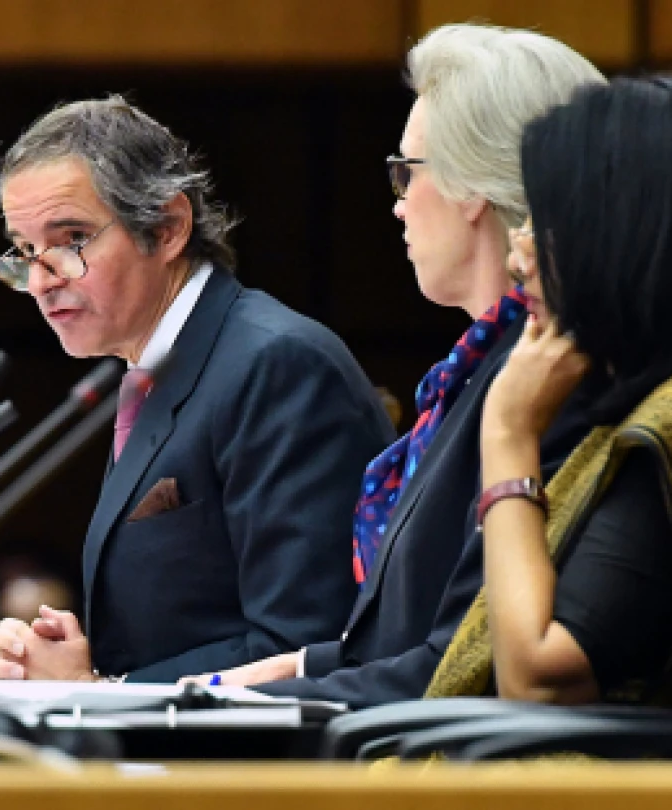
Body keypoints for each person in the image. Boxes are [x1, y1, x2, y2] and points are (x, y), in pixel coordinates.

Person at [183, 24, 604, 707]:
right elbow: (422, 628)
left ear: (473, 185)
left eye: (408, 171)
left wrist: (270, 701)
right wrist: (297, 669)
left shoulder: (540, 382)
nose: (398, 202)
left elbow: (468, 665)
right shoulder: (481, 372)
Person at [0, 96, 394, 683]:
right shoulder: (153, 372)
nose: (41, 281)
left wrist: (100, 692)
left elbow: (306, 642)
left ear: (168, 228)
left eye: (70, 240)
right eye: (24, 252)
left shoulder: (277, 366)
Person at [426, 77, 672, 706]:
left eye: (547, 227)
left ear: (622, 238)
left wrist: (508, 437)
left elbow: (537, 679)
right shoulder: (666, 392)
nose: (521, 263)